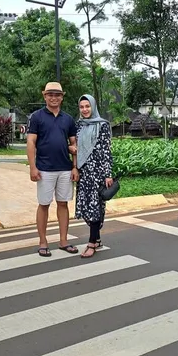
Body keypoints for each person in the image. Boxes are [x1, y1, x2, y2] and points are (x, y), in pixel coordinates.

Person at [27, 82, 79, 257]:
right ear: (44, 96)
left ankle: (63, 240)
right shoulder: (37, 117)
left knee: (63, 204)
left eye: (57, 94)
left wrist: (74, 167)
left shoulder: (68, 119)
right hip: (44, 169)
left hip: (65, 169)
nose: (54, 98)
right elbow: (31, 142)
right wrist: (33, 167)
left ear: (62, 97)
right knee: (44, 204)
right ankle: (43, 242)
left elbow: (74, 144)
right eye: (50, 94)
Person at [73, 94, 113, 258]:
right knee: (86, 207)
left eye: (87, 106)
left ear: (93, 106)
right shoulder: (78, 125)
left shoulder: (102, 125)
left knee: (95, 207)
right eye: (82, 107)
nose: (85, 110)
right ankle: (97, 239)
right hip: (83, 172)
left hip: (98, 172)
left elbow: (106, 150)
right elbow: (75, 147)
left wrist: (107, 174)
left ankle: (91, 243)